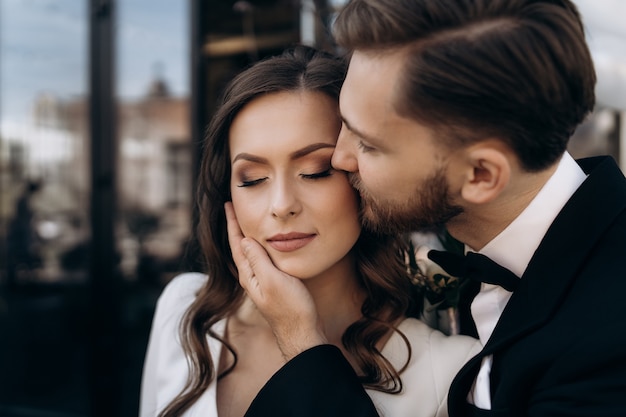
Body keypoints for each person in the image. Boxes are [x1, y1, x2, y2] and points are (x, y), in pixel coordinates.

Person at [229, 1, 626, 417]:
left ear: (479, 175)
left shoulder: (609, 353)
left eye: (368, 144)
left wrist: (302, 343)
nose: (341, 158)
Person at [140, 45, 479, 417]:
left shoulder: (445, 373)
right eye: (252, 179)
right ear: (228, 195)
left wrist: (300, 338)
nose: (281, 204)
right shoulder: (185, 310)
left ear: (363, 176)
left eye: (316, 171)